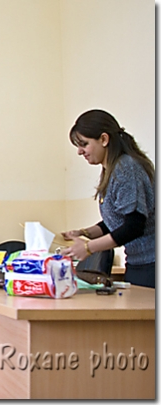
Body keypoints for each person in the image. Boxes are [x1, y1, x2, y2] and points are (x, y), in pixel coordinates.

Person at [60, 109, 155, 288]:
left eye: (84, 144)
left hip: (151, 264)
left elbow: (134, 225)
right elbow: (117, 221)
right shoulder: (112, 169)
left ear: (104, 139)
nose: (80, 152)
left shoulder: (126, 168)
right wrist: (83, 233)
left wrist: (88, 248)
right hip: (138, 263)